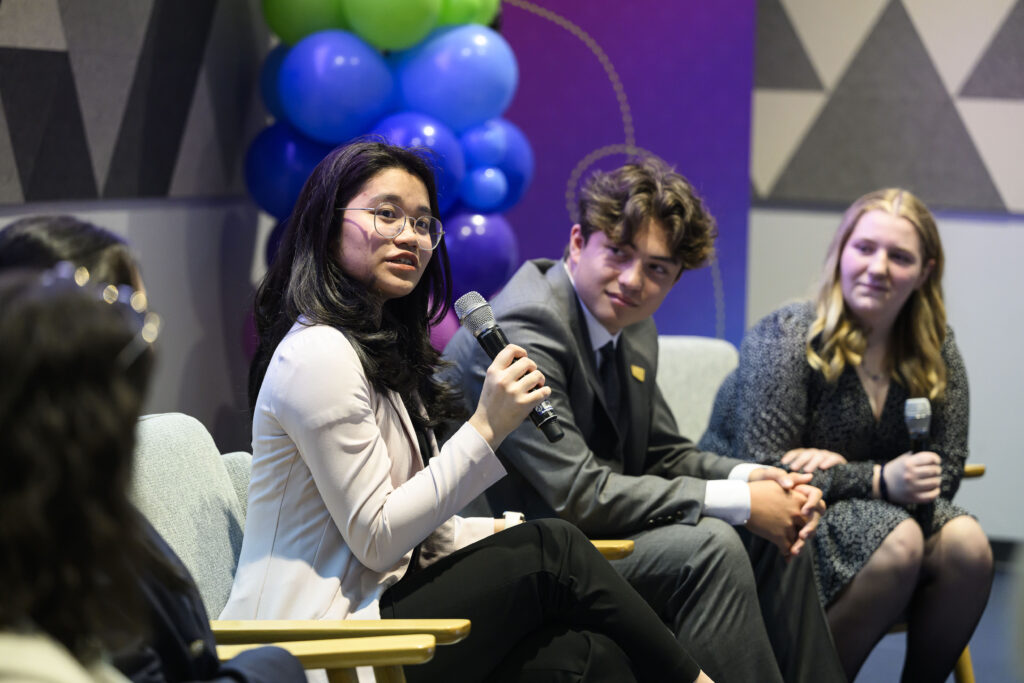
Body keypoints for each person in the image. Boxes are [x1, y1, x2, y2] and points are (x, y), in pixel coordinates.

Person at [220, 140, 711, 682]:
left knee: (584, 654)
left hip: (378, 613)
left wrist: (509, 532)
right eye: (386, 214)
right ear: (327, 222)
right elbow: (378, 537)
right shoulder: (319, 353)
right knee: (556, 550)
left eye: (424, 222)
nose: (410, 235)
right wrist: (487, 426)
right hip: (320, 646)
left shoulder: (377, 349)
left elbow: (425, 538)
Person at [442, 156, 844, 683]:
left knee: (777, 529)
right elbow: (578, 494)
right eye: (619, 253)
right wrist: (743, 504)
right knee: (712, 547)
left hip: (576, 540)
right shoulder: (525, 325)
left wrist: (755, 480)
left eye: (657, 269)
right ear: (579, 242)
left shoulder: (631, 326)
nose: (633, 281)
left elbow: (663, 452)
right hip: (507, 553)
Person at [699, 188, 994, 682]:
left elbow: (942, 475)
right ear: (840, 252)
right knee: (898, 542)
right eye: (864, 248)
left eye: (899, 257)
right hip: (768, 528)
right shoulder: (787, 335)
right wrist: (878, 479)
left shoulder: (936, 346)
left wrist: (850, 475)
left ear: (925, 271)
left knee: (968, 545)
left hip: (875, 513)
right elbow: (766, 474)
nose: (878, 267)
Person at [0, 215, 306, 683]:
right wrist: (272, 668)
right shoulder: (52, 529)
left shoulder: (81, 493)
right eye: (131, 317)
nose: (149, 344)